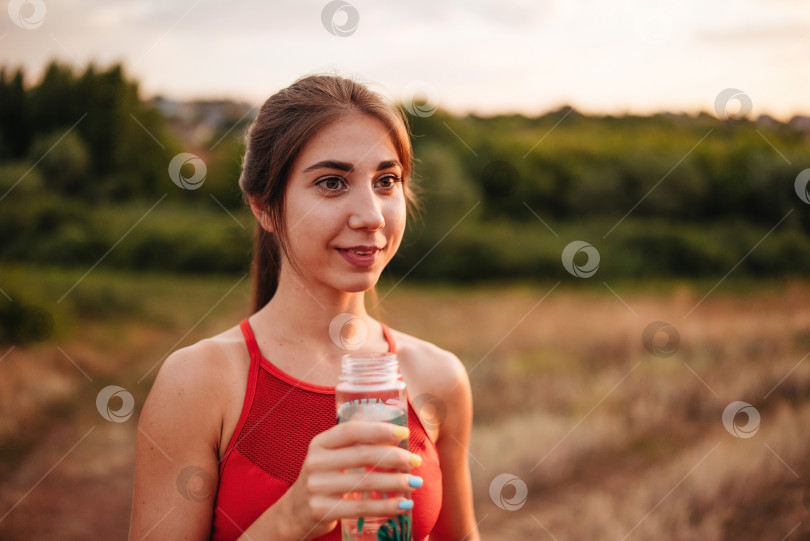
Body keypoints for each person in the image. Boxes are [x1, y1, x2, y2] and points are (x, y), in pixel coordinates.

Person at [129, 74, 479, 540]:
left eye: (386, 180)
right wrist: (291, 518)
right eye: (333, 183)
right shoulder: (197, 382)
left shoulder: (439, 378)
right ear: (265, 207)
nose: (371, 215)